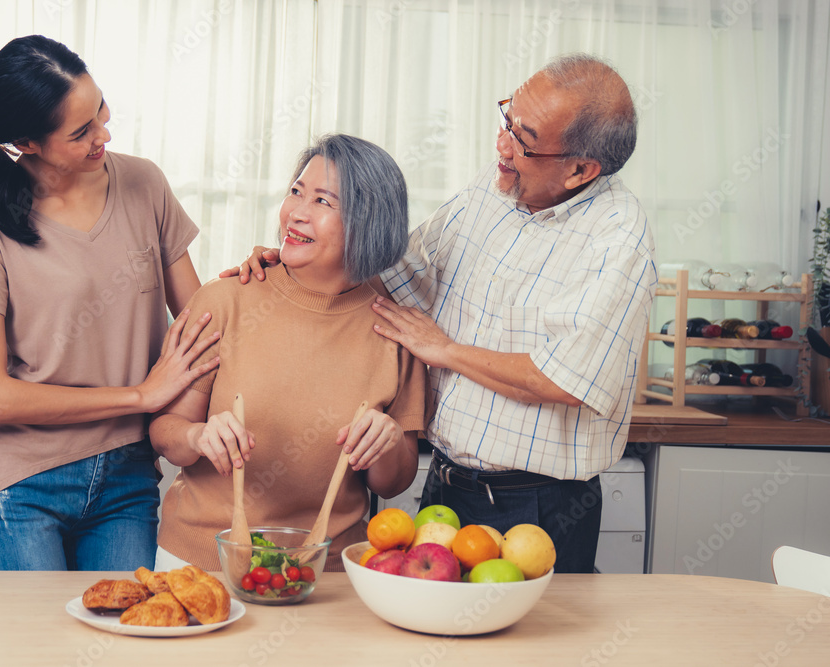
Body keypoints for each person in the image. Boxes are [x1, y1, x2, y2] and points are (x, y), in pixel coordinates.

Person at [227, 54, 657, 573]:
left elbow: (568, 378)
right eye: (507, 119)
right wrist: (298, 260)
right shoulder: (498, 187)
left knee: (531, 652)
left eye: (524, 139)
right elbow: (399, 267)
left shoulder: (618, 238)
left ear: (580, 170)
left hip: (536, 508)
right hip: (449, 488)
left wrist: (446, 350)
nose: (502, 146)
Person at [0, 35, 219, 571]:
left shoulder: (144, 183)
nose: (104, 134)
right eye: (81, 131)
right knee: (36, 655)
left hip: (129, 482)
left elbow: (201, 323)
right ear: (28, 142)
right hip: (21, 488)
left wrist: (264, 276)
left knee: (117, 650)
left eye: (101, 110)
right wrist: (139, 397)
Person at [149, 133, 427, 572]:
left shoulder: (395, 331)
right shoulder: (225, 300)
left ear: (368, 222)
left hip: (328, 572)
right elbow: (166, 434)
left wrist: (388, 440)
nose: (295, 213)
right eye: (296, 191)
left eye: (322, 201)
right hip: (201, 560)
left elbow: (393, 483)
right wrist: (196, 437)